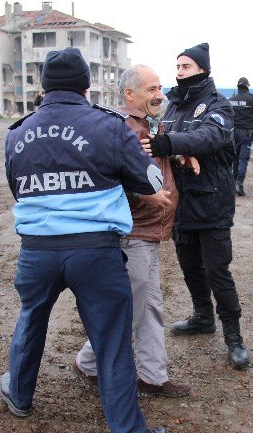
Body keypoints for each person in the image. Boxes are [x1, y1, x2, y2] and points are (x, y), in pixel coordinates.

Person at [0, 47, 169, 433]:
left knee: (31, 320)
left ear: (42, 85)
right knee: (111, 341)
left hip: (37, 251)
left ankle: (19, 395)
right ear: (86, 83)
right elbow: (152, 183)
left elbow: (17, 188)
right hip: (95, 251)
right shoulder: (108, 126)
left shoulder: (17, 133)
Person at [73, 64, 192, 399]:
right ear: (129, 94)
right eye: (151, 89)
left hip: (151, 231)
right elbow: (109, 176)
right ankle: (88, 363)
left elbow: (161, 153)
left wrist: (182, 152)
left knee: (150, 306)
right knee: (130, 309)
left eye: (159, 88)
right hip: (133, 231)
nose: (160, 95)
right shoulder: (122, 127)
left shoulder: (150, 124)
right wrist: (144, 194)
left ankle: (153, 376)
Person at [142, 43, 250, 370]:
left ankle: (234, 337)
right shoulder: (174, 105)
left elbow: (211, 137)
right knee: (189, 265)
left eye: (186, 66)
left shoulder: (218, 105)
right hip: (181, 201)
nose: (179, 72)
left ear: (202, 69)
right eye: (177, 66)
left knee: (218, 270)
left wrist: (171, 144)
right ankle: (203, 316)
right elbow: (160, 136)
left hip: (212, 200)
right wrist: (178, 152)